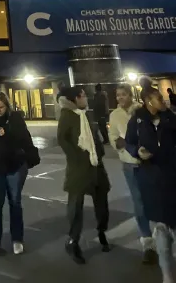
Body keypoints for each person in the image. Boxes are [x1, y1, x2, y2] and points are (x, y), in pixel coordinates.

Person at [126, 86, 176, 283]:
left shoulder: (173, 121)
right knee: (161, 237)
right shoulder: (137, 120)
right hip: (151, 181)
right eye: (159, 98)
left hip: (173, 181)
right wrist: (137, 151)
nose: (164, 100)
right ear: (147, 101)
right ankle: (167, 277)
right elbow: (129, 142)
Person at [57, 86, 111, 264]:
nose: (86, 98)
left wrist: (99, 153)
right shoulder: (68, 115)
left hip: (95, 165)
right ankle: (73, 241)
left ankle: (102, 231)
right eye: (83, 96)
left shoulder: (87, 114)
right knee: (76, 206)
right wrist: (75, 158)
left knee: (101, 200)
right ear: (76, 98)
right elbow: (62, 139)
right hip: (79, 168)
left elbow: (94, 136)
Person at [0, 92, 37, 256]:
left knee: (15, 203)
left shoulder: (16, 118)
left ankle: (17, 239)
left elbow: (25, 138)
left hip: (15, 167)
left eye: (1, 107)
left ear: (7, 106)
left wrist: (8, 133)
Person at [109, 83, 158, 264]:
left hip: (149, 164)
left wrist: (128, 142)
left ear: (130, 95)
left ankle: (161, 232)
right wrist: (124, 144)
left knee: (154, 199)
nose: (120, 98)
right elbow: (114, 139)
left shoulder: (142, 111)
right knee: (138, 203)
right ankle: (147, 242)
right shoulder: (114, 115)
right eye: (117, 95)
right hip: (130, 165)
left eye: (123, 94)